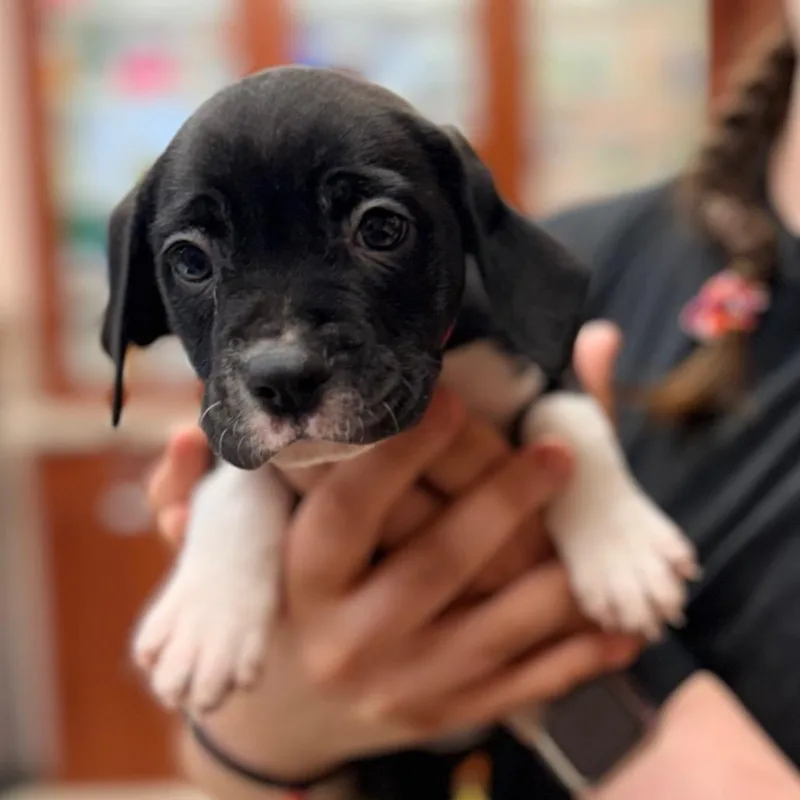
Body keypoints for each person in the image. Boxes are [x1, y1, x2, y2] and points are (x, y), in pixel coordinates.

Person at [144, 10, 800, 799]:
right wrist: (259, 738)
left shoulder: (522, 287)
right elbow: (229, 753)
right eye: (193, 262)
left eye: (377, 231)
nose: (284, 345)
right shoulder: (600, 252)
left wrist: (585, 658)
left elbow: (548, 410)